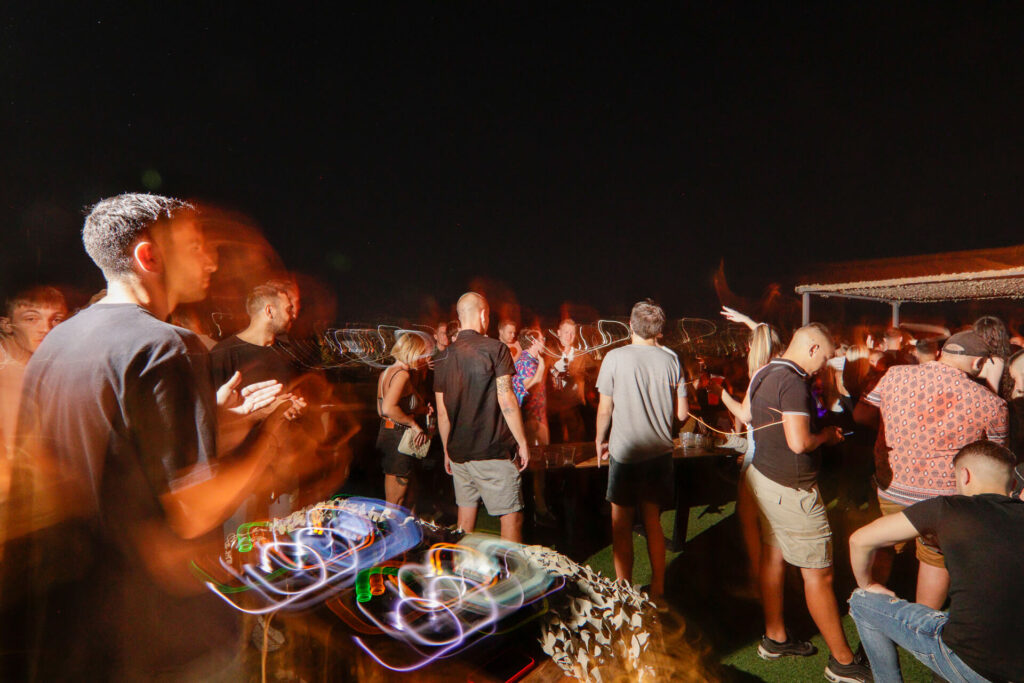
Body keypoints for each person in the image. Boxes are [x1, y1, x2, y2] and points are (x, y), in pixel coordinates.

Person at [3, 193, 289, 680]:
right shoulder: (167, 347)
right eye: (197, 245)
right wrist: (271, 436)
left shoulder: (61, 342)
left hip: (81, 628)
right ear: (149, 256)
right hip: (164, 639)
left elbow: (113, 446)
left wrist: (212, 417)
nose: (212, 259)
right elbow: (193, 509)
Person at [746, 323, 871, 682]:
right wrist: (826, 437)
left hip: (765, 479)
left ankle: (775, 637)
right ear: (813, 349)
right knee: (819, 574)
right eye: (827, 358)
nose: (825, 366)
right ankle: (843, 662)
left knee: (773, 557)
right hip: (792, 490)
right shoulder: (793, 382)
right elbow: (799, 443)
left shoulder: (764, 371)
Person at [848, 440, 1024, 683]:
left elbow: (860, 540)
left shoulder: (946, 509)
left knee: (861, 601)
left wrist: (868, 585)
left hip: (973, 663)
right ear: (1013, 485)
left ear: (964, 475)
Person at [856, 330, 1008, 610]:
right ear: (978, 364)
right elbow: (995, 455)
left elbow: (861, 415)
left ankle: (872, 616)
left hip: (892, 487)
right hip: (941, 502)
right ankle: (920, 626)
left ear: (942, 353)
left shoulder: (894, 375)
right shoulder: (989, 402)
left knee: (884, 546)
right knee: (935, 558)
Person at [595, 300, 687, 612]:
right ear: (659, 330)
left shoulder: (614, 358)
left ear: (631, 326)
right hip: (660, 453)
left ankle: (623, 592)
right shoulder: (672, 358)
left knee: (621, 524)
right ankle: (659, 590)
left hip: (626, 453)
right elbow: (682, 412)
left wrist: (599, 439)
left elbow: (605, 408)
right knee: (653, 522)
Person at [433, 292, 530, 542]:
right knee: (511, 518)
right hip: (492, 451)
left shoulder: (443, 356)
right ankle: (512, 578)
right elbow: (507, 399)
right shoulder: (496, 349)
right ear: (484, 314)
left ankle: (463, 577)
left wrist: (446, 449)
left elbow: (442, 411)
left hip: (459, 453)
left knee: (464, 523)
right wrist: (522, 441)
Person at [0, 286, 67, 457]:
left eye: (57, 320)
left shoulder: (60, 365)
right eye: (31, 319)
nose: (46, 328)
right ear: (7, 325)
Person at [375, 332, 433, 509]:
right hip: (397, 438)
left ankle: (409, 533)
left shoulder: (387, 372)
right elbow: (388, 408)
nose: (425, 358)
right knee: (396, 503)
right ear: (414, 352)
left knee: (407, 496)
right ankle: (392, 535)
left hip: (389, 433)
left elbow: (381, 410)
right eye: (423, 353)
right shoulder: (402, 375)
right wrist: (414, 425)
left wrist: (421, 409)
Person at [547, 318, 592, 443]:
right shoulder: (549, 353)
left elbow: (587, 377)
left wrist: (583, 398)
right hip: (554, 409)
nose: (569, 336)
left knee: (576, 441)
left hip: (574, 406)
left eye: (572, 333)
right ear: (558, 333)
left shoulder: (581, 355)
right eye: (566, 332)